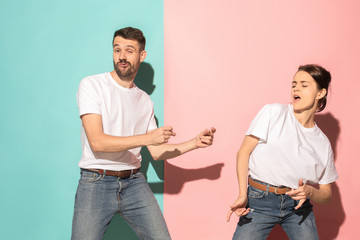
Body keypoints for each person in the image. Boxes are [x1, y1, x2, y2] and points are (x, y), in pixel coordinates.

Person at [71, 27, 216, 240]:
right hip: (96, 181)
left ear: (142, 55)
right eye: (117, 49)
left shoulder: (144, 100)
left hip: (133, 183)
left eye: (129, 50)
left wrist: (194, 143)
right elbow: (97, 142)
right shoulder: (92, 85)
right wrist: (147, 138)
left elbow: (156, 152)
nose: (122, 56)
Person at [226, 64, 338, 240]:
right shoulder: (274, 112)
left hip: (298, 207)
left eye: (304, 84)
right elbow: (243, 152)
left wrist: (310, 192)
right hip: (259, 201)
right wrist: (242, 194)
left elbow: (326, 194)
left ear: (320, 93)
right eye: (294, 84)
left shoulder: (322, 143)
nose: (296, 88)